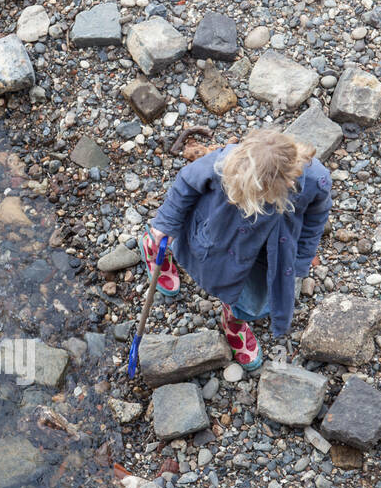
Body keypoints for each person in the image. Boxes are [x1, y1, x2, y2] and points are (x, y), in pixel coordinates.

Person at [140, 128, 332, 371]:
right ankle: (155, 247)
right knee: (177, 243)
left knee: (252, 299)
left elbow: (316, 220)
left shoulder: (317, 180)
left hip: (266, 252)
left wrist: (301, 260)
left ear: (288, 181)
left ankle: (234, 321)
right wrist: (165, 224)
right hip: (218, 233)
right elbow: (187, 182)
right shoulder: (226, 159)